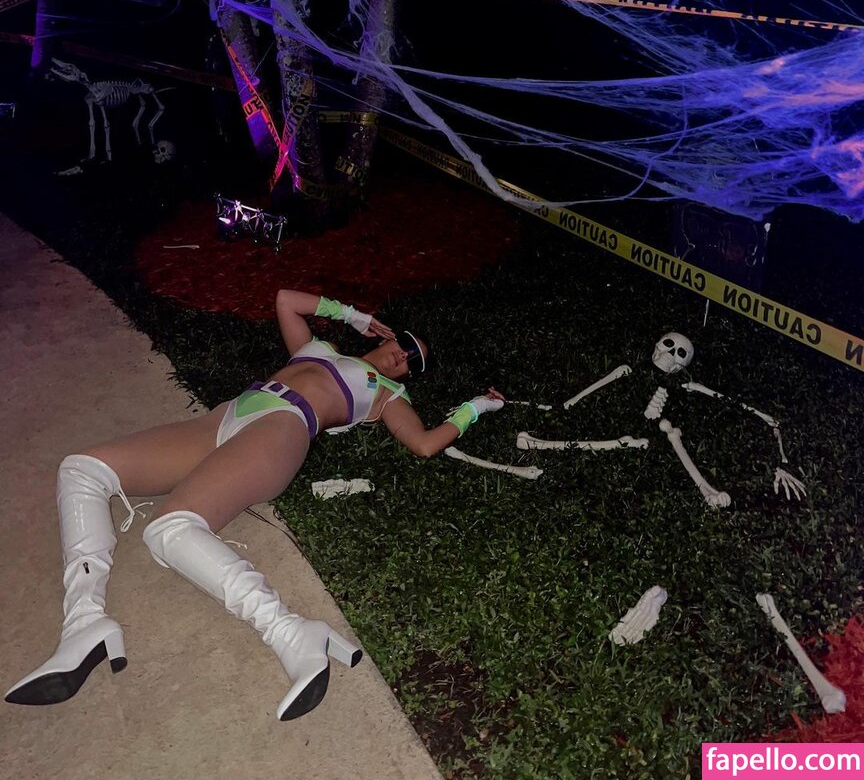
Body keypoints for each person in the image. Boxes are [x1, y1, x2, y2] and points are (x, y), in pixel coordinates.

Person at [5, 288, 504, 721]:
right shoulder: (318, 348)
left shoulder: (388, 395)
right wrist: (352, 314)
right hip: (226, 418)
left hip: (283, 427)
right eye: (406, 345)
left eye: (415, 363)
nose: (404, 359)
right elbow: (286, 301)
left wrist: (475, 408)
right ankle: (84, 624)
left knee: (169, 530)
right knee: (81, 468)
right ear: (388, 336)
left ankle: (291, 632)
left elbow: (424, 444)